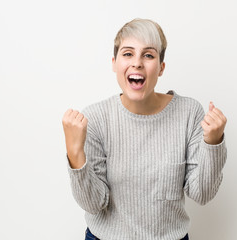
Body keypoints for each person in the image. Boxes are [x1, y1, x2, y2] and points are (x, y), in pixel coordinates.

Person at [62, 18, 227, 240]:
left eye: (148, 55)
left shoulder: (189, 113)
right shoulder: (96, 118)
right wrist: (75, 154)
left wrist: (214, 142)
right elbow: (94, 204)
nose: (137, 63)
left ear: (161, 68)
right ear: (114, 63)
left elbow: (202, 194)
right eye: (128, 53)